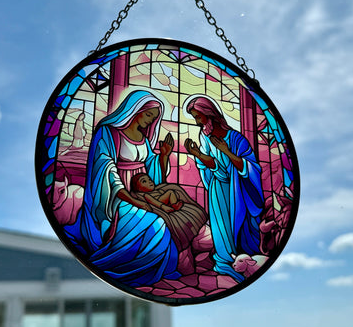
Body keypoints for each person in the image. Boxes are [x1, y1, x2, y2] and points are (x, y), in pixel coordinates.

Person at [64, 90, 179, 287]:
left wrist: (164, 156)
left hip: (141, 191)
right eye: (148, 114)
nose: (150, 121)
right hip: (115, 197)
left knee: (165, 221)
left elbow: (152, 170)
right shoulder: (109, 133)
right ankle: (124, 267)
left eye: (153, 118)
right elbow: (105, 168)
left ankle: (146, 270)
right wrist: (130, 199)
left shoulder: (144, 139)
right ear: (135, 110)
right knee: (157, 224)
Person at [184, 96, 264, 282]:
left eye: (198, 117)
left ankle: (242, 260)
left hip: (237, 191)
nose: (197, 122)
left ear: (209, 114)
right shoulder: (204, 136)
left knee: (238, 225)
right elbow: (213, 165)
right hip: (218, 189)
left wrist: (227, 151)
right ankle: (225, 261)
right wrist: (197, 154)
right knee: (221, 227)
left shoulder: (236, 139)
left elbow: (251, 168)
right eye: (195, 118)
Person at [130, 172, 207, 253]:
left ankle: (174, 204)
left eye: (149, 179)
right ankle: (175, 204)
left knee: (171, 192)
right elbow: (155, 202)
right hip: (160, 201)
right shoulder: (146, 195)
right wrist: (163, 207)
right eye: (144, 181)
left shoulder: (156, 190)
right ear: (138, 188)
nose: (149, 182)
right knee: (170, 192)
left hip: (163, 200)